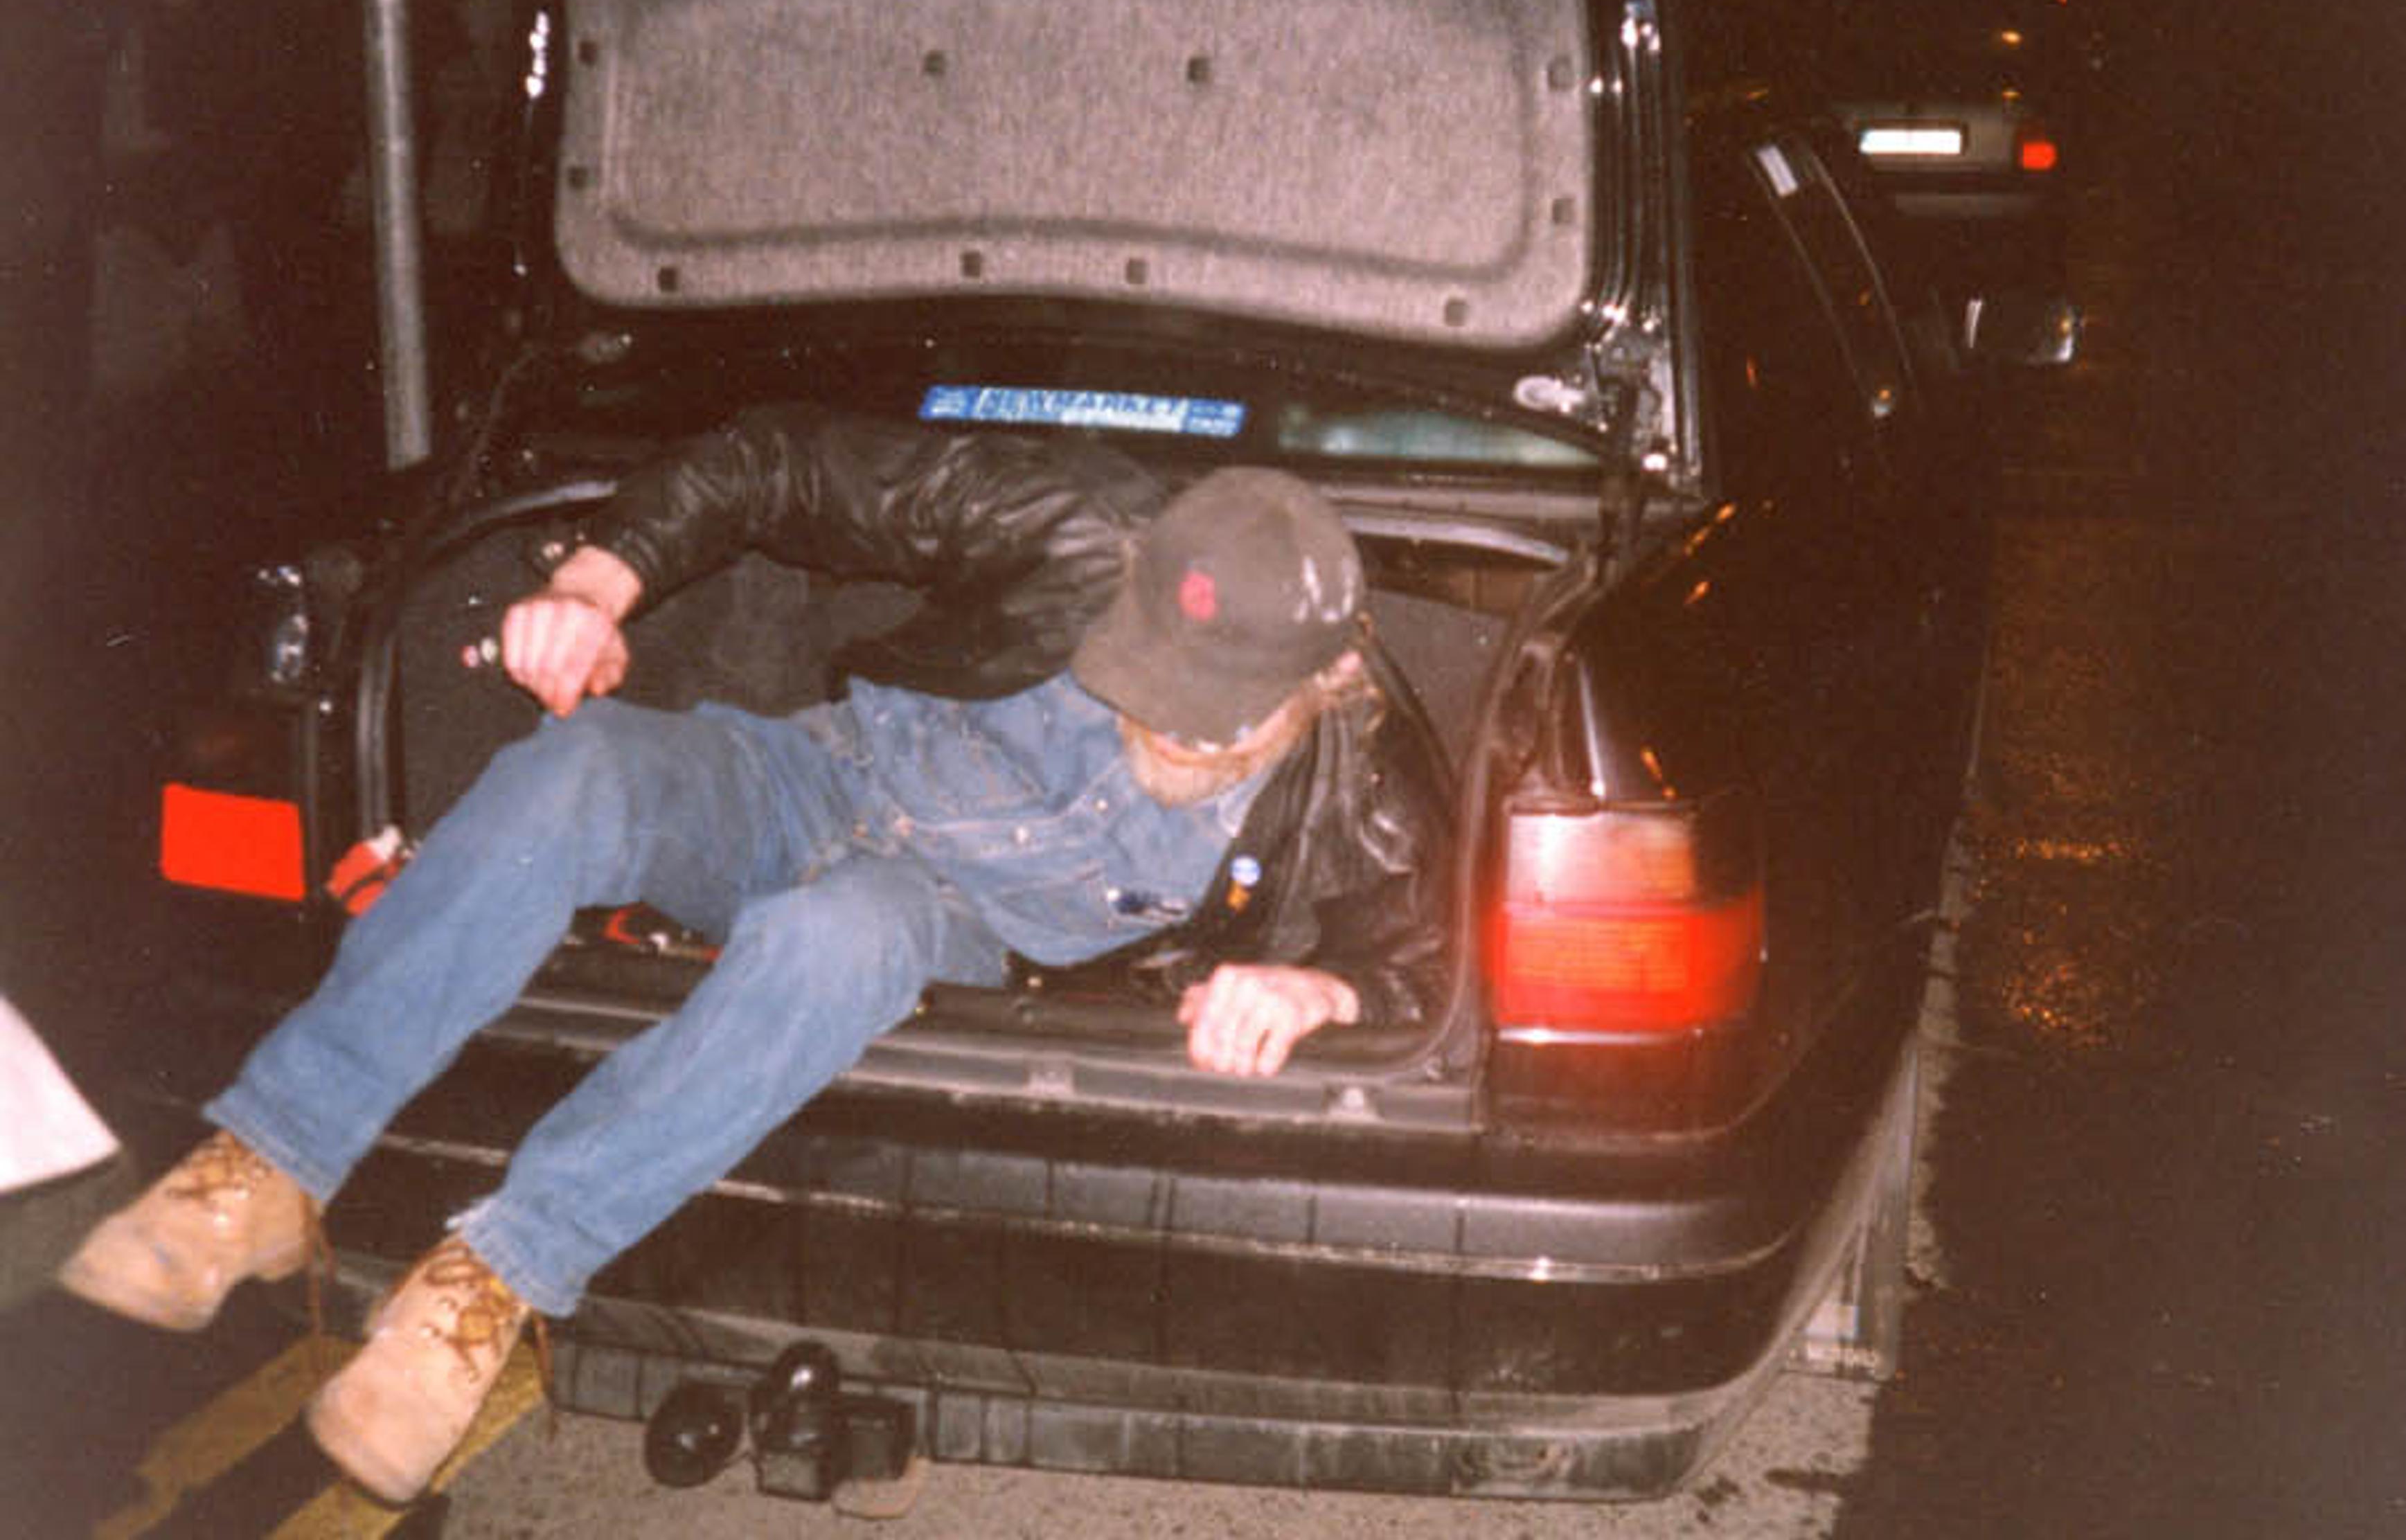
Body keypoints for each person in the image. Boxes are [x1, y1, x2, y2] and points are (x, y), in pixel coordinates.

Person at [57, 428, 1444, 1510]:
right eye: (1138, 657)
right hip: (831, 768)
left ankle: (486, 1285)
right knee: (586, 768)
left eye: (1205, 713)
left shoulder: (1365, 769)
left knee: (837, 935)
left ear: (1318, 682)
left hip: (947, 907)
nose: (1151, 707)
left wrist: (1318, 989)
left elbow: (1422, 951)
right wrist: (604, 578)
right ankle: (274, 1156)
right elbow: (779, 461)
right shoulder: (1071, 517)